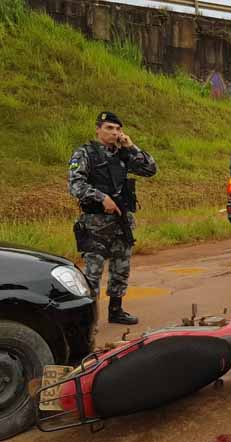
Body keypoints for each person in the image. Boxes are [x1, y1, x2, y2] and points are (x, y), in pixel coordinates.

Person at [68, 111, 157, 325]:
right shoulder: (85, 153)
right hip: (95, 224)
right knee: (93, 273)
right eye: (109, 128)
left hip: (120, 222)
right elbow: (75, 185)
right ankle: (87, 318)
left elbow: (150, 169)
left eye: (117, 129)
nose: (114, 133)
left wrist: (131, 147)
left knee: (121, 268)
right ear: (98, 129)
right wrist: (102, 198)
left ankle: (116, 310)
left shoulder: (123, 154)